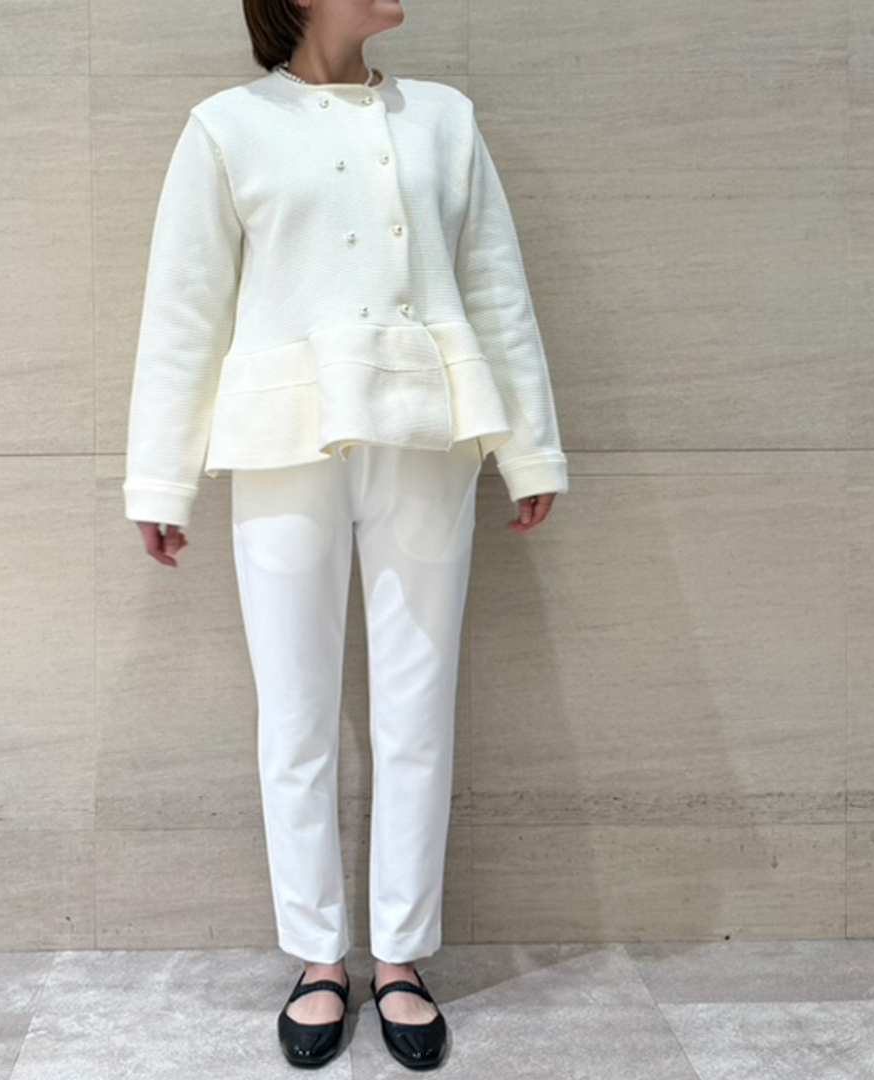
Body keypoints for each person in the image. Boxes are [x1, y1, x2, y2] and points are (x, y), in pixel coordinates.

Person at [122, 0, 568, 1068]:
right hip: (283, 439)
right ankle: (320, 957)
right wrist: (162, 478)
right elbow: (185, 307)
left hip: (427, 430)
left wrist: (531, 449)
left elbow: (496, 289)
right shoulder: (229, 126)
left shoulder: (445, 118)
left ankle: (402, 957)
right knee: (296, 713)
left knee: (419, 705)